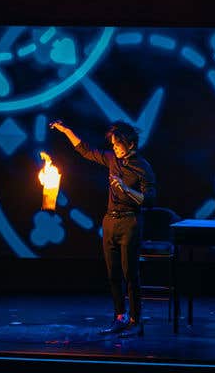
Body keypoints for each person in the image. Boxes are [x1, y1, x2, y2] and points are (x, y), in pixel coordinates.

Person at [50, 119, 156, 335]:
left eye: (118, 144)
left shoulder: (143, 168)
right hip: (110, 221)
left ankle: (135, 321)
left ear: (131, 145)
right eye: (113, 144)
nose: (114, 148)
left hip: (130, 222)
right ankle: (119, 316)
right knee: (113, 273)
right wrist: (67, 129)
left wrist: (126, 189)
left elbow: (150, 200)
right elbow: (85, 150)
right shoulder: (111, 160)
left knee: (130, 273)